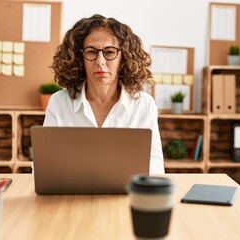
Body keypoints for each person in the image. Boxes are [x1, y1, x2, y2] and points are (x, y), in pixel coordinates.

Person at [44, 14, 164, 174]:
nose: (100, 61)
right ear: (80, 58)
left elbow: (156, 167)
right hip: (72, 195)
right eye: (92, 52)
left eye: (109, 52)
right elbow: (43, 166)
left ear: (123, 58)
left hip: (125, 195)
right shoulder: (59, 103)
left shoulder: (144, 105)